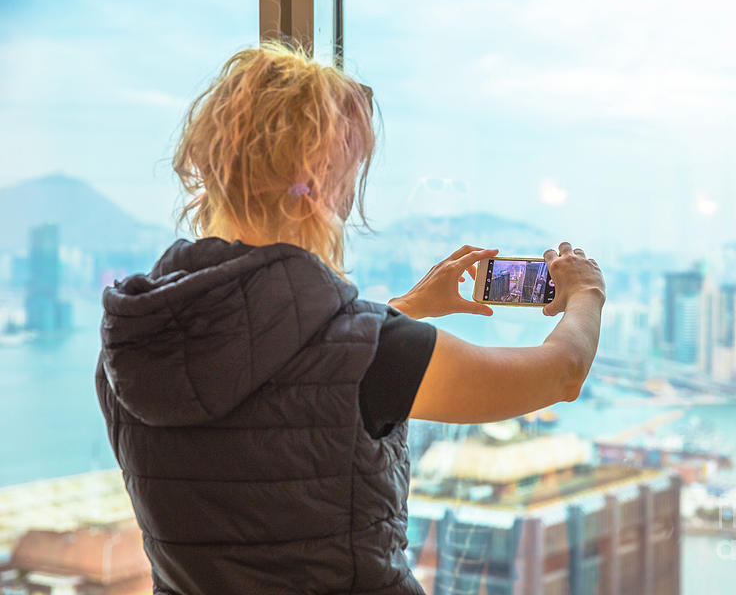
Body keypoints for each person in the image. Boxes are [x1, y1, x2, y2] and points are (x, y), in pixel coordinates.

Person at [95, 40, 605, 595]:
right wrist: (586, 292)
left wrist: (405, 311)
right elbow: (561, 372)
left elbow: (274, 363)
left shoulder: (133, 345)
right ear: (323, 188)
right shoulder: (378, 354)